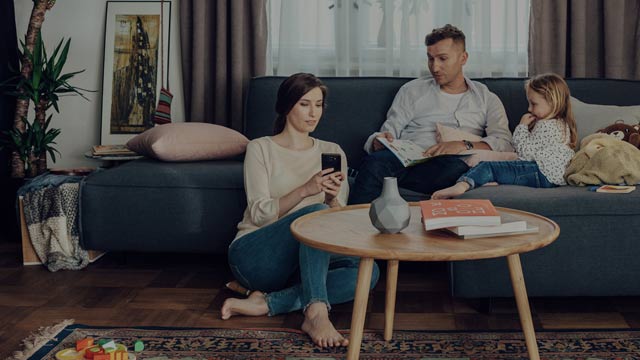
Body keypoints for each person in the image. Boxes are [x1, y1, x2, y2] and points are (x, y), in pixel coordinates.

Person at [220, 73, 380, 348]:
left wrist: (332, 202)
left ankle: (267, 302)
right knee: (313, 214)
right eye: (305, 104)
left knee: (369, 272)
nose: (313, 113)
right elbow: (258, 213)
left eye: (318, 105)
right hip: (255, 255)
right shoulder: (261, 148)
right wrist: (305, 191)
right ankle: (316, 312)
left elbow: (337, 225)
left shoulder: (333, 151)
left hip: (304, 262)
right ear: (286, 106)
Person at [348, 24, 514, 204]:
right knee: (377, 162)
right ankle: (353, 226)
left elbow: (504, 143)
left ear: (463, 58)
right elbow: (389, 132)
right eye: (430, 59)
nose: (434, 67)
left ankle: (365, 177)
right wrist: (379, 140)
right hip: (405, 159)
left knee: (457, 169)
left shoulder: (486, 98)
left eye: (442, 59)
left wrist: (461, 145)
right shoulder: (412, 91)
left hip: (449, 164)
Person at [432, 73, 577, 199]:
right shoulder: (563, 124)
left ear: (552, 102)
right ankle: (488, 179)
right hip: (553, 177)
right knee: (501, 170)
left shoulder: (545, 125)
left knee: (487, 167)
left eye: (534, 104)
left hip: (540, 173)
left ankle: (462, 186)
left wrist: (521, 127)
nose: (529, 109)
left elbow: (524, 153)